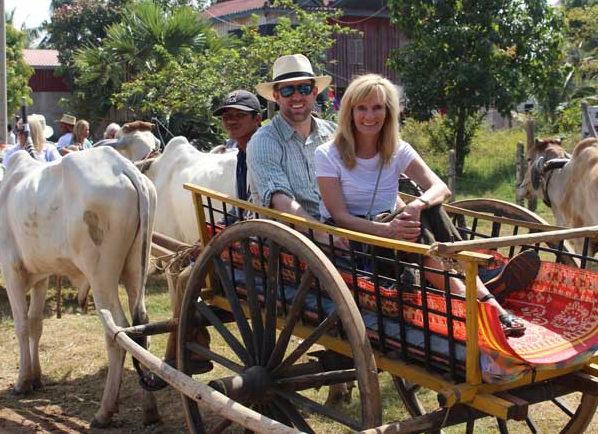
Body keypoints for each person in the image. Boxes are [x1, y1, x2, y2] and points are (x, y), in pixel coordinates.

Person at [315, 74, 532, 336]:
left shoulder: (397, 149)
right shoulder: (328, 154)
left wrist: (416, 205)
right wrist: (388, 230)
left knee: (429, 208)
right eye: (362, 108)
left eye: (377, 107)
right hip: (357, 241)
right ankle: (484, 298)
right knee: (419, 230)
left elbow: (441, 187)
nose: (369, 116)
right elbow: (340, 216)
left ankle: (479, 297)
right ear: (349, 112)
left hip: (398, 232)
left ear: (389, 112)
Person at [248, 54, 337, 235]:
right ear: (276, 96)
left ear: (314, 92)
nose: (297, 97)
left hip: (338, 227)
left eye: (304, 88)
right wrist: (323, 235)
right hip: (287, 239)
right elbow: (280, 201)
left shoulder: (334, 133)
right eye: (288, 90)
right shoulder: (264, 141)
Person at [213, 90, 262, 202]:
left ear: (257, 119)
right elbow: (243, 202)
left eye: (240, 115)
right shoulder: (242, 154)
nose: (231, 121)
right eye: (226, 116)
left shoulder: (265, 151)